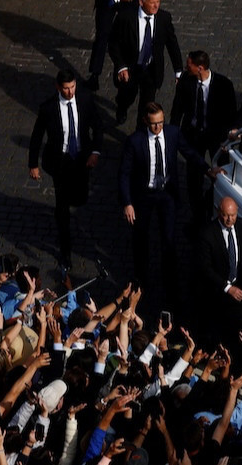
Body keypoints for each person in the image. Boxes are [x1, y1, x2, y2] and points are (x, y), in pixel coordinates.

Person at [118, 102, 208, 291]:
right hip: (144, 195)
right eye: (153, 124)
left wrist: (208, 169)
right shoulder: (135, 141)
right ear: (145, 121)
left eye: (161, 122)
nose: (158, 127)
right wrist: (127, 203)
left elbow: (189, 153)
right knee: (141, 237)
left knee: (169, 238)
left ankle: (170, 281)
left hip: (167, 194)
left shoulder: (173, 133)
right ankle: (140, 279)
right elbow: (124, 173)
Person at [28, 69, 104, 268]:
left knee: (80, 198)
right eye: (66, 88)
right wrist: (33, 164)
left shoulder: (85, 100)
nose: (70, 92)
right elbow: (37, 136)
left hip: (81, 158)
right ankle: (65, 250)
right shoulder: (48, 108)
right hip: (60, 161)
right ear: (58, 87)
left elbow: (98, 126)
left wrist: (95, 151)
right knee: (62, 206)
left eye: (73, 87)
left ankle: (70, 200)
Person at [169, 50, 237, 219]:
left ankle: (216, 205)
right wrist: (173, 133)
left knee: (221, 174)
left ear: (200, 68)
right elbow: (177, 109)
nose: (186, 68)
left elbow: (231, 113)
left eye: (189, 65)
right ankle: (198, 214)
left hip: (216, 137)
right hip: (193, 135)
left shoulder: (223, 85)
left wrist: (229, 136)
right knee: (193, 177)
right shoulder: (185, 81)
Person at [197, 197, 242, 342]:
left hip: (241, 282)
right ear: (218, 212)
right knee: (221, 327)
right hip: (218, 287)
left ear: (237, 212)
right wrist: (228, 288)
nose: (229, 219)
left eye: (233, 215)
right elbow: (205, 268)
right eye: (226, 215)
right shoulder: (207, 234)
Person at [107, 0, 183, 125]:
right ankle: (122, 107)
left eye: (158, 1)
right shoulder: (125, 17)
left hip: (151, 69)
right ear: (141, 2)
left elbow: (172, 44)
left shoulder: (164, 18)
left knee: (146, 105)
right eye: (152, 2)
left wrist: (178, 70)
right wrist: (121, 66)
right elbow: (113, 43)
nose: (156, 5)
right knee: (127, 96)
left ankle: (141, 132)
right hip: (130, 68)